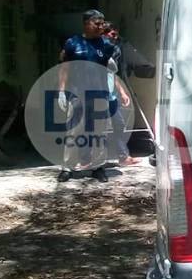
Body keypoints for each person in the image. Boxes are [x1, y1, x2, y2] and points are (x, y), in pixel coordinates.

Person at [56, 9, 116, 183]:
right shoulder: (73, 43)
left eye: (102, 23)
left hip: (99, 95)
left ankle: (98, 167)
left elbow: (110, 68)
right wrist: (61, 91)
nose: (100, 26)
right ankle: (67, 167)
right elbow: (64, 68)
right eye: (96, 23)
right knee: (74, 131)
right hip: (77, 94)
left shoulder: (106, 44)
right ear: (86, 24)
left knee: (99, 133)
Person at [103, 23, 139, 166]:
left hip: (111, 95)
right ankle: (90, 159)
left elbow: (114, 75)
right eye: (112, 34)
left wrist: (123, 93)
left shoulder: (115, 50)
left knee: (119, 124)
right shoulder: (96, 50)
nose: (115, 37)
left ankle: (123, 156)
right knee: (96, 127)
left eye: (116, 35)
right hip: (97, 94)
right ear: (104, 34)